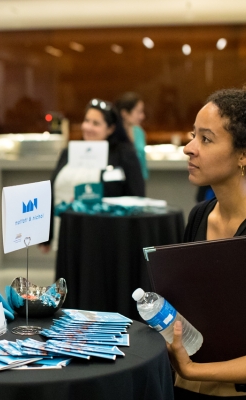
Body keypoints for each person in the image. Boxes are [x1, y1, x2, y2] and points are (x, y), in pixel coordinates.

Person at [168, 88, 246, 398]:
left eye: (206, 139)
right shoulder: (199, 215)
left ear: (243, 155)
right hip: (189, 384)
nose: (189, 148)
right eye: (192, 136)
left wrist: (193, 370)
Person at [41, 98, 145, 252]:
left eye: (96, 123)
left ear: (110, 129)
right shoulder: (69, 152)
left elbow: (137, 196)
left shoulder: (124, 155)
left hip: (108, 240)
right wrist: (46, 236)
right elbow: (51, 192)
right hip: (66, 236)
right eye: (86, 121)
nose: (88, 127)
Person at [115, 92, 149, 180]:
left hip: (140, 180)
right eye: (138, 112)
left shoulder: (139, 132)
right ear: (124, 113)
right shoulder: (114, 135)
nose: (142, 116)